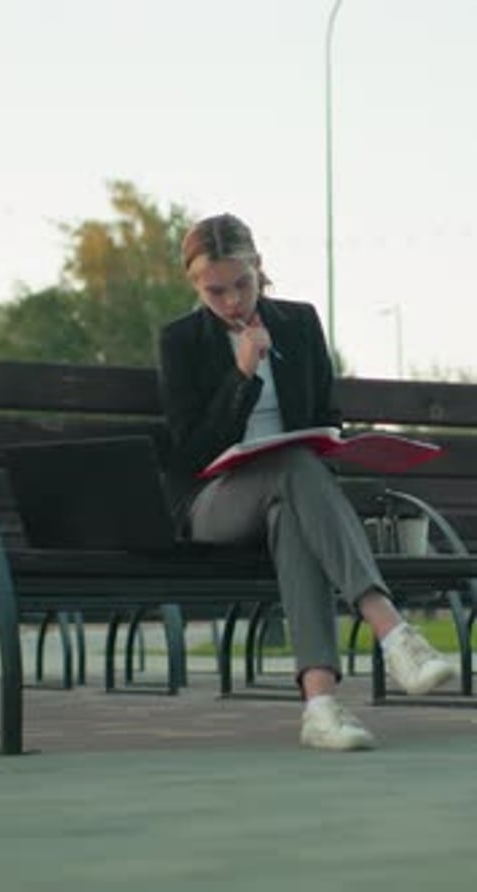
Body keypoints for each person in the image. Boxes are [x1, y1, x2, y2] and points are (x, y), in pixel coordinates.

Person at [158, 212, 455, 752]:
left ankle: (319, 705)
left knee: (292, 507)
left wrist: (336, 442)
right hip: (213, 503)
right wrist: (243, 375)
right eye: (215, 290)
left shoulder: (298, 323)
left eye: (242, 284)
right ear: (195, 286)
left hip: (290, 493)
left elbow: (325, 414)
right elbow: (191, 449)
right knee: (295, 467)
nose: (231, 301)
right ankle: (390, 627)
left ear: (259, 268)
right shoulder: (180, 341)